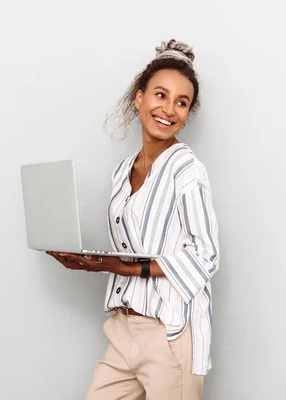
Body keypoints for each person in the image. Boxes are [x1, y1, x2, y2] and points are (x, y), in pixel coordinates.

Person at [47, 39, 220, 400]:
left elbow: (206, 255)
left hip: (169, 335)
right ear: (139, 98)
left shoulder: (186, 170)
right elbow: (131, 245)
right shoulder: (123, 171)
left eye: (181, 102)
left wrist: (118, 267)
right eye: (160, 95)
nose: (169, 109)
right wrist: (92, 260)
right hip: (124, 329)